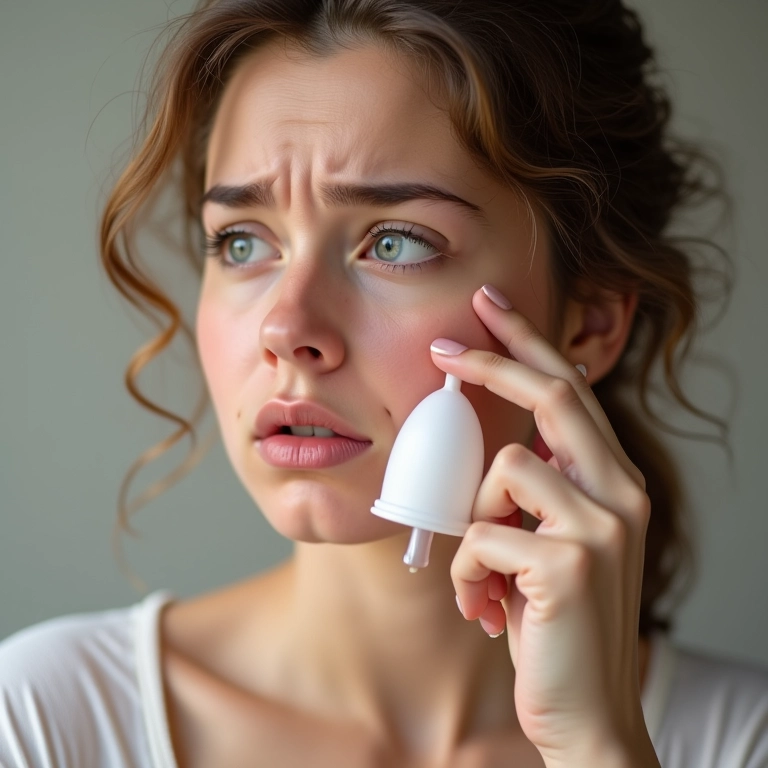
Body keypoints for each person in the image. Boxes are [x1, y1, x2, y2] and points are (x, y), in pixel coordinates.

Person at [1, 0, 767, 766]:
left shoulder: (740, 739)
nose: (286, 326)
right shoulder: (44, 721)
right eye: (241, 242)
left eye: (394, 243)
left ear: (590, 323)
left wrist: (599, 748)